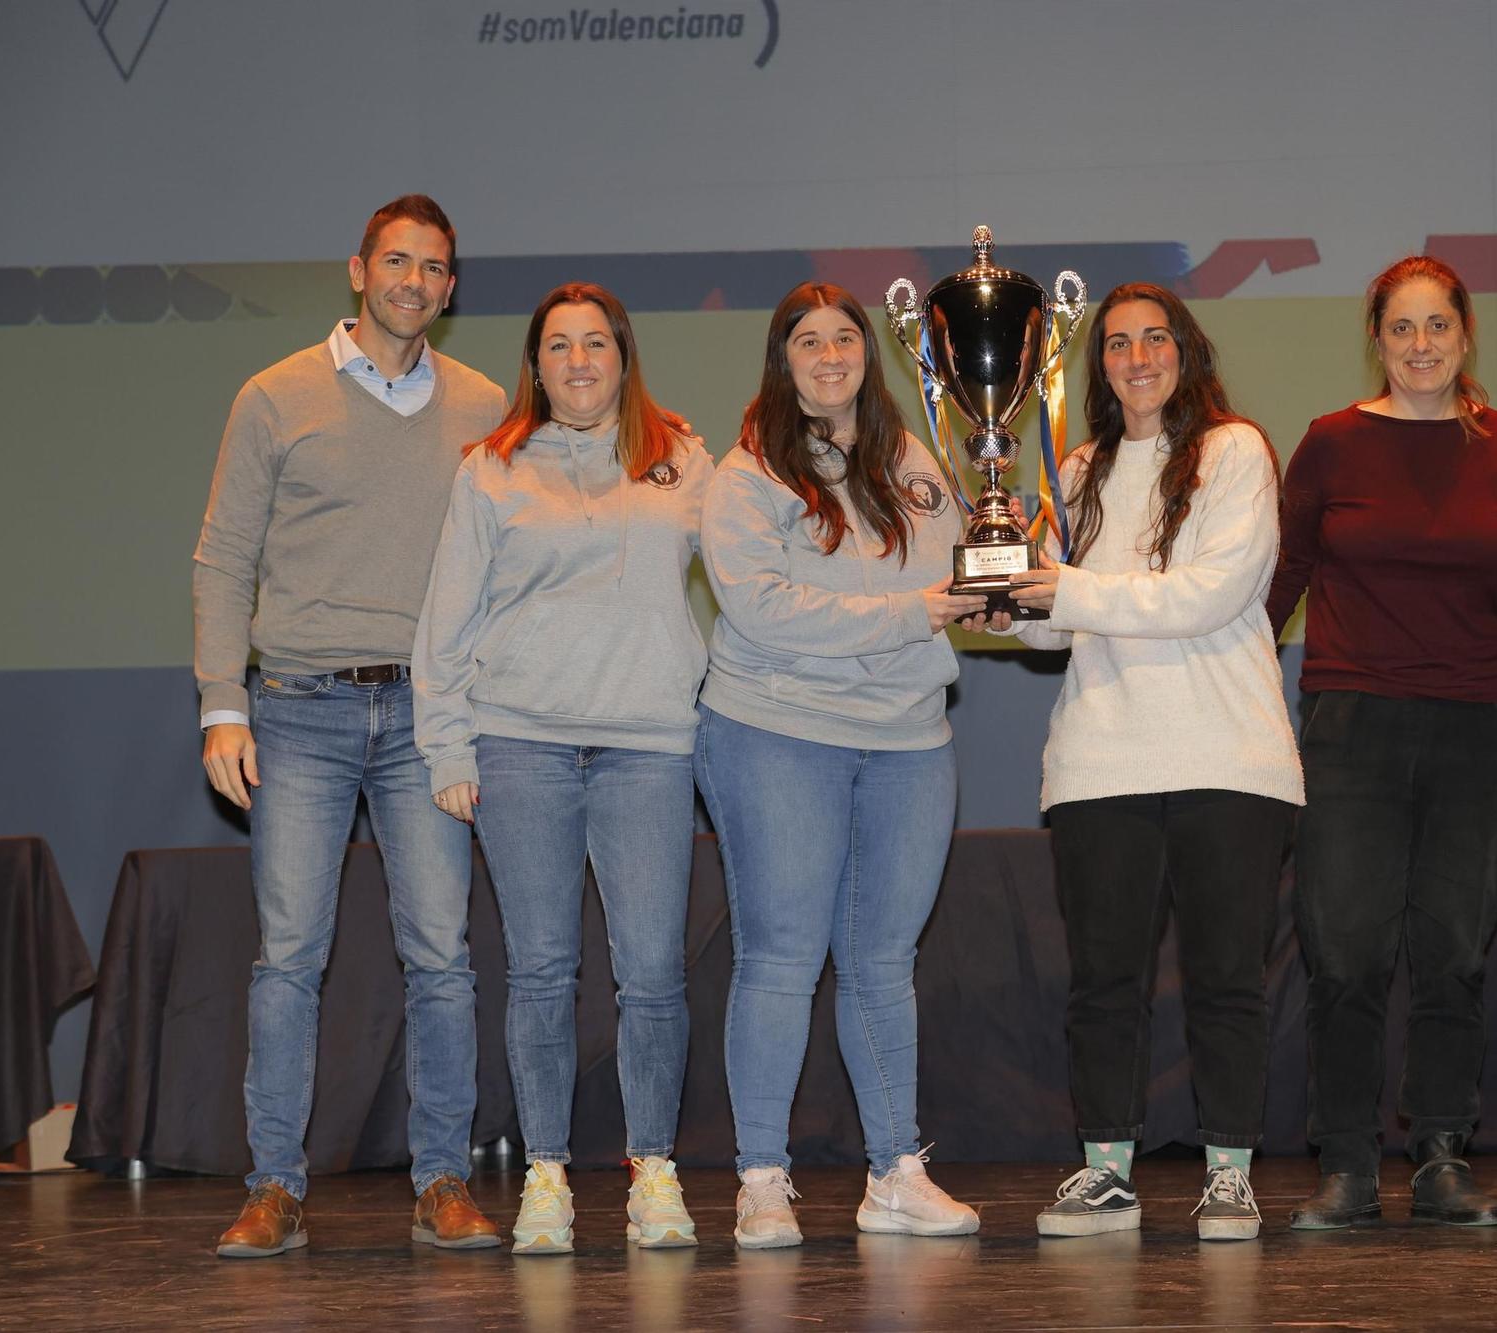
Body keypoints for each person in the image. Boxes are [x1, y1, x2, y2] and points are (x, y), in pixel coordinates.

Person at [194, 195, 507, 1256]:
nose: (413, 281)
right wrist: (221, 706)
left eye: (433, 267)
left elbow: (519, 555)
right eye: (396, 262)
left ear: (450, 287)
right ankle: (273, 1185)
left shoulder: (486, 404)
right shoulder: (275, 395)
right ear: (357, 271)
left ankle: (443, 1181)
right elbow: (222, 559)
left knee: (442, 959)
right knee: (289, 959)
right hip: (296, 711)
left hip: (429, 714)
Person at [413, 283, 712, 1254]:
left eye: (596, 344)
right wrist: (449, 744)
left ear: (623, 357)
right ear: (534, 366)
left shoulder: (684, 459)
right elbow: (444, 625)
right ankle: (544, 1173)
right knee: (540, 972)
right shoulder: (491, 469)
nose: (579, 361)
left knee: (654, 973)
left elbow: (760, 565)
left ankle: (652, 1168)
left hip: (648, 747)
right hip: (520, 743)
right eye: (558, 346)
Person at [1006, 282, 1303, 1242]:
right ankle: (1105, 1173)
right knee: (1104, 982)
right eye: (1118, 344)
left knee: (1226, 977)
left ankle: (1228, 1173)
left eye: (1155, 339)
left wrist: (1072, 587)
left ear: (1187, 350)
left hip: (1228, 755)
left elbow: (1206, 596)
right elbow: (1053, 638)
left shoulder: (1235, 451)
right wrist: (1015, 581)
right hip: (1100, 762)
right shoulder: (1079, 467)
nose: (1137, 357)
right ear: (1098, 365)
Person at [694, 282, 987, 1248]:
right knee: (780, 958)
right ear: (782, 358)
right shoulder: (747, 475)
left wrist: (1002, 575)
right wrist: (915, 612)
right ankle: (764, 1179)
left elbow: (962, 584)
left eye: (846, 337)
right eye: (808, 340)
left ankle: (896, 1171)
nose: (830, 354)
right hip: (778, 729)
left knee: (882, 962)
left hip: (909, 737)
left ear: (870, 351)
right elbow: (762, 608)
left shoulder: (916, 462)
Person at [1266, 256, 1497, 1230]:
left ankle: (1439, 1154)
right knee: (1341, 955)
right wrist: (1228, 688)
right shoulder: (1331, 444)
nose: (1420, 344)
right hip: (1351, 725)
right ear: (1376, 339)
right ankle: (1345, 1165)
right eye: (1401, 328)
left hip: (1480, 728)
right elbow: (1283, 575)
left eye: (1437, 326)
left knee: (1452, 956)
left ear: (1463, 335)